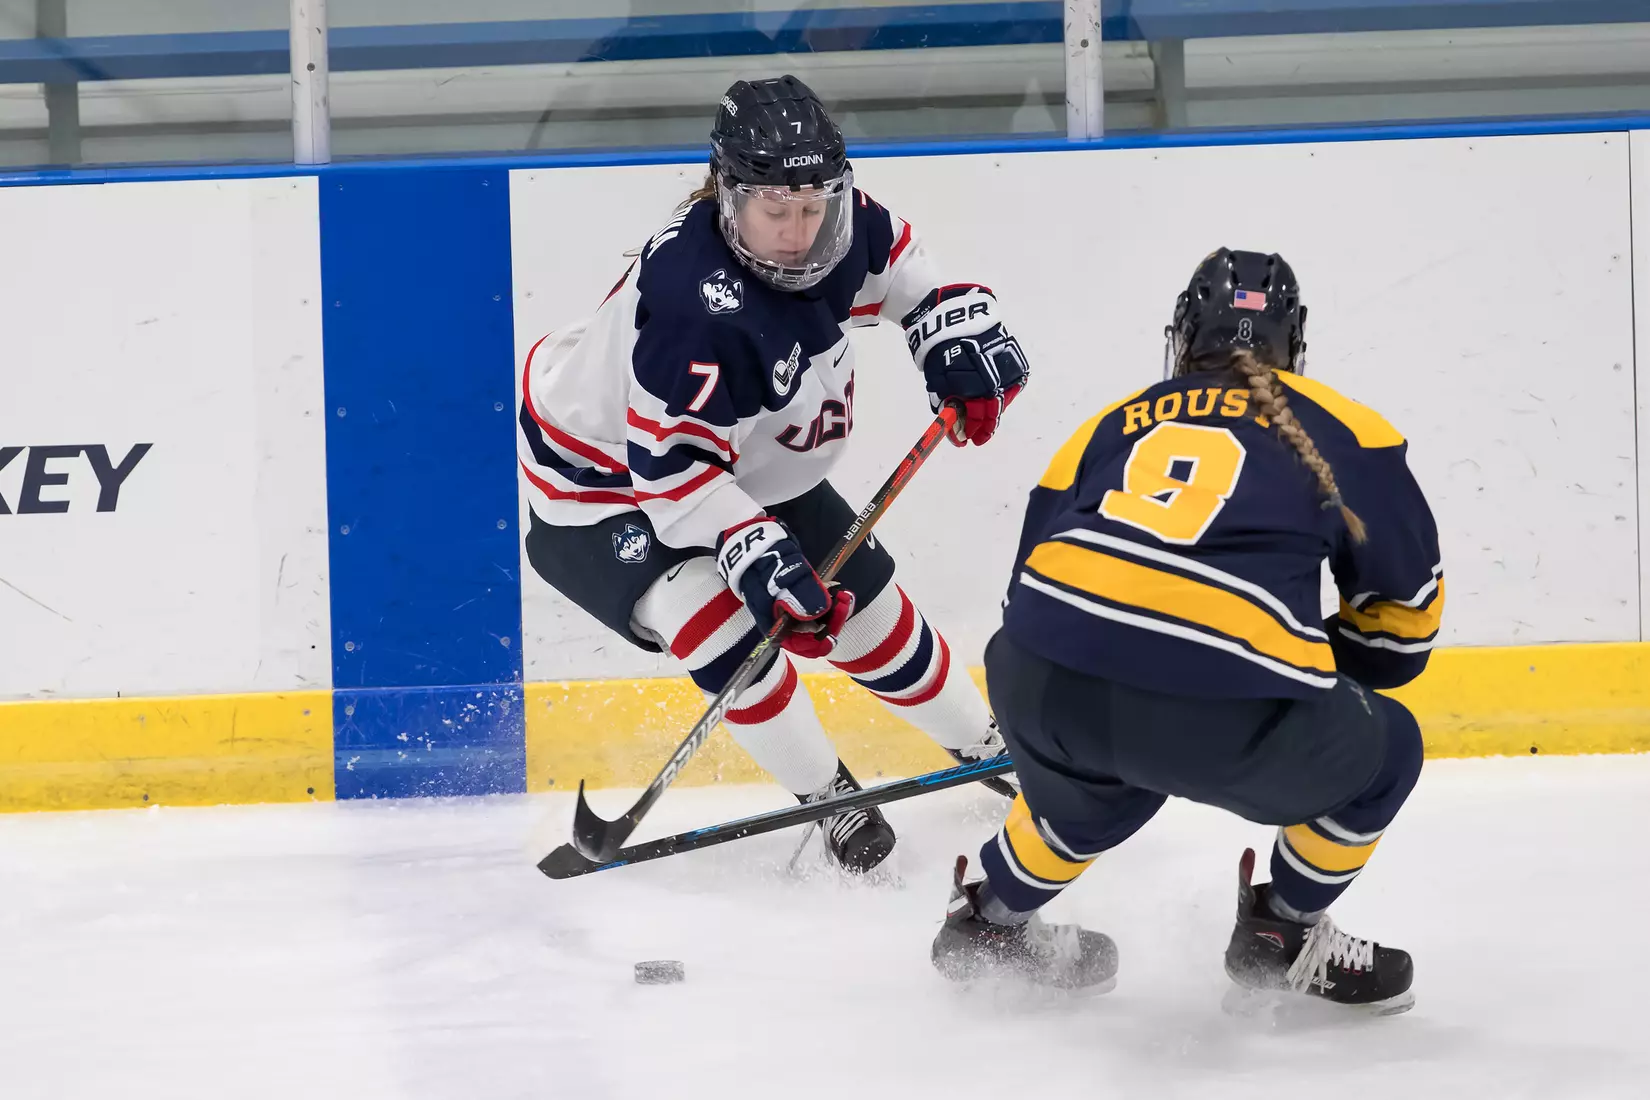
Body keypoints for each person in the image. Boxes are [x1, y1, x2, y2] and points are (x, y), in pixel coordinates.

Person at [518, 75, 1026, 874]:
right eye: (774, 212)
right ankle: (828, 796)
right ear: (728, 195)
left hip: (744, 456)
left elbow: (902, 268)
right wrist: (749, 547)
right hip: (603, 483)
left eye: (810, 208)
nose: (796, 233)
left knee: (862, 604)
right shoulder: (693, 307)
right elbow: (673, 475)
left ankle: (988, 747)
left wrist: (945, 328)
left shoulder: (836, 220)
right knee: (722, 624)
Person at [930, 249, 1440, 1014]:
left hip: (1039, 677)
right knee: (1389, 746)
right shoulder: (1345, 427)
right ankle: (1283, 931)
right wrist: (1300, 661)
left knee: (1101, 770)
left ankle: (990, 919)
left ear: (1182, 337)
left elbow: (1026, 592)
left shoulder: (1107, 424)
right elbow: (1402, 632)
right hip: (1220, 712)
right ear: (1292, 346)